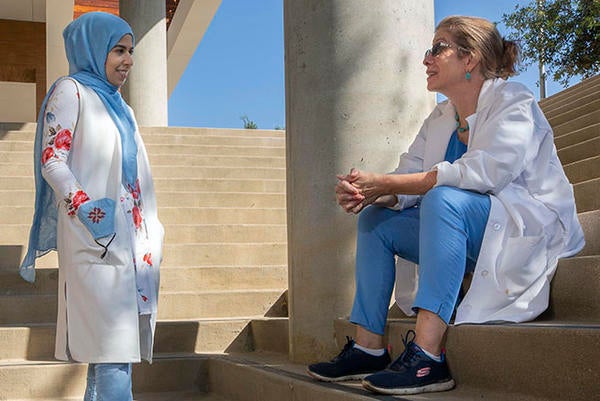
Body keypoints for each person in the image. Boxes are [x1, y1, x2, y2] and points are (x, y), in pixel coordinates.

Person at [307, 15, 585, 396]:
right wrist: (372, 192)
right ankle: (368, 348)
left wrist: (388, 182)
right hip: (461, 235)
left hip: (520, 232)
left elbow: (487, 173)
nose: (426, 59)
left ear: (469, 59)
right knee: (376, 220)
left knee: (443, 198)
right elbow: (407, 181)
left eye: (438, 48)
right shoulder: (439, 118)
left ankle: (428, 357)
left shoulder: (513, 101)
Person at [20, 12, 164, 400]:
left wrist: (151, 229)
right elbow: (53, 159)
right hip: (95, 236)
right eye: (118, 50)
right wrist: (89, 210)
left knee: (109, 355)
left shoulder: (123, 107)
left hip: (130, 241)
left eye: (131, 51)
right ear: (92, 48)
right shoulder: (70, 91)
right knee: (113, 350)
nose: (128, 60)